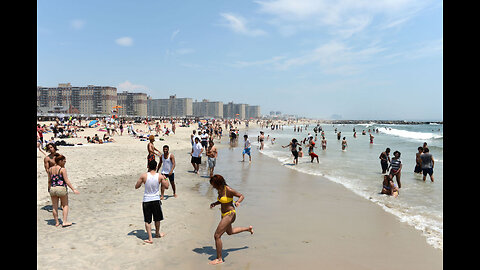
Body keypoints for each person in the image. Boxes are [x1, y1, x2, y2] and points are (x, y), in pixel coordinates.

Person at [208, 175, 253, 265]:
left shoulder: (228, 190)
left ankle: (219, 259)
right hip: (223, 214)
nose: (213, 186)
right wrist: (215, 203)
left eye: (213, 184)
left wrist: (237, 202)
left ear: (218, 183)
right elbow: (222, 200)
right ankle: (248, 229)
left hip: (230, 214)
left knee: (217, 236)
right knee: (230, 232)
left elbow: (241, 196)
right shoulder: (219, 190)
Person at [135, 160, 169, 244]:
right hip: (156, 199)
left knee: (148, 220)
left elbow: (136, 186)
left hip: (147, 200)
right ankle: (157, 234)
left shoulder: (144, 176)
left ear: (148, 166)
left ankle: (150, 238)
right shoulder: (160, 176)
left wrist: (142, 181)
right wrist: (165, 178)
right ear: (156, 167)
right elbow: (167, 186)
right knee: (157, 219)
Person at [47, 154, 80, 227]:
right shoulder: (62, 169)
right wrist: (73, 189)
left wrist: (49, 188)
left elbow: (49, 180)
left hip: (53, 188)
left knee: (54, 206)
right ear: (60, 161)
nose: (65, 162)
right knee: (65, 205)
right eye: (64, 161)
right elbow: (66, 180)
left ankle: (57, 222)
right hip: (61, 188)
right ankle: (64, 222)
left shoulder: (50, 169)